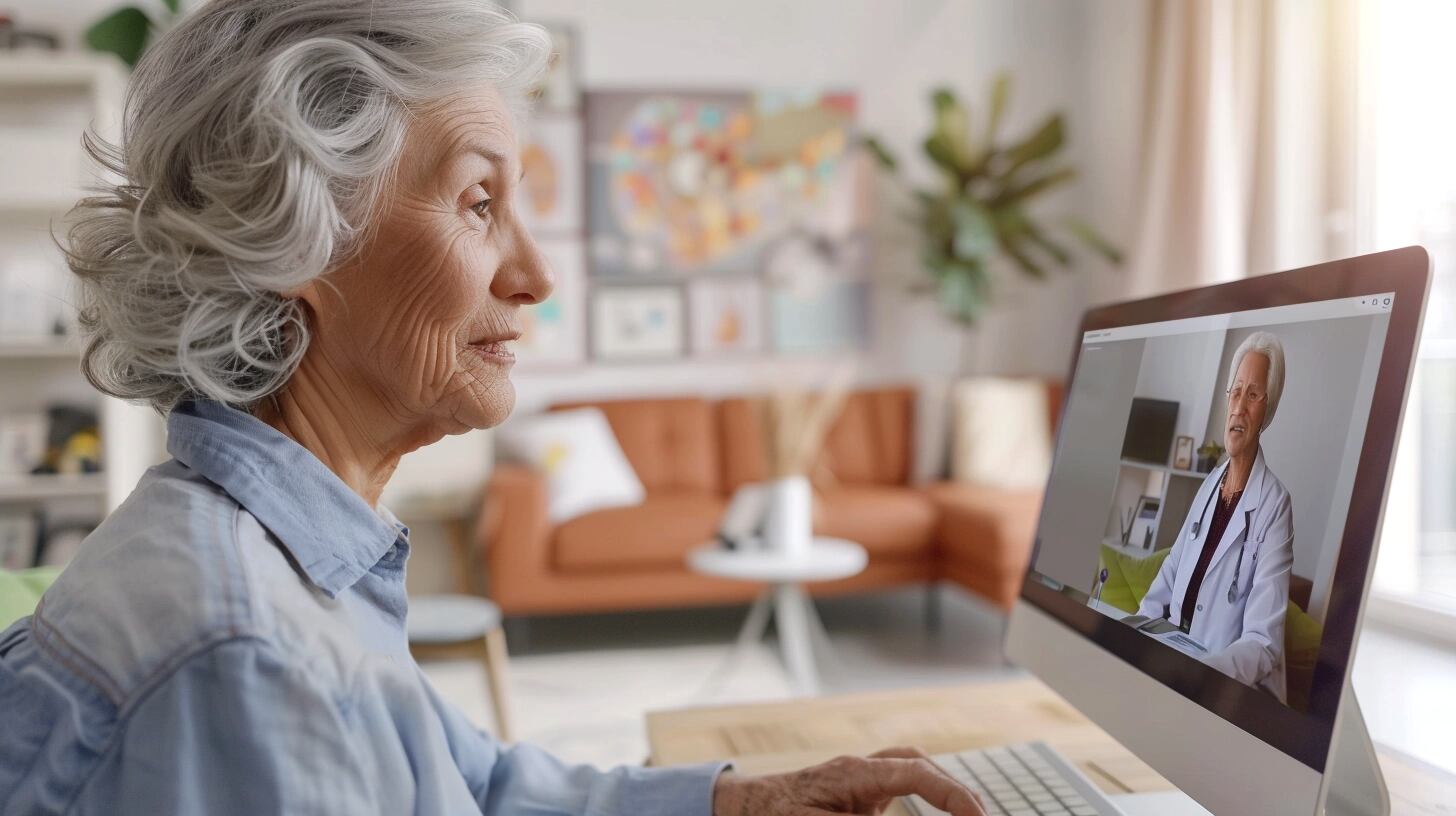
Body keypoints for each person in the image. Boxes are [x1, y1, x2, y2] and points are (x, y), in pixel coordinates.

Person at [0, 2, 985, 815]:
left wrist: (755, 799)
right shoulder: (250, 657)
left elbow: (475, 781)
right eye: (478, 204)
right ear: (293, 239)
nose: (538, 275)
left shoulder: (289, 556)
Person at [1136, 331, 1294, 703]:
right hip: (1175, 664)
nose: (1239, 406)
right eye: (1236, 392)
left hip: (1225, 691)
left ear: (1266, 410)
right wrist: (1134, 631)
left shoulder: (1275, 505)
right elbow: (1172, 571)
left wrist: (1203, 672)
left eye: (1253, 395)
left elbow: (1263, 643)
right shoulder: (1209, 486)